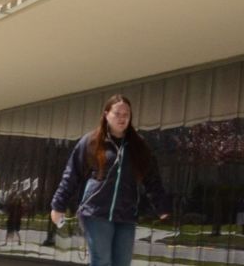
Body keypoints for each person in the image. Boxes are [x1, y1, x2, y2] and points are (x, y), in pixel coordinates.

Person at [51, 94, 170, 266]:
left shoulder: (138, 146)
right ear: (106, 114)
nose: (122, 118)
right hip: (96, 212)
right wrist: (58, 205)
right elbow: (72, 174)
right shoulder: (92, 141)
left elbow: (152, 178)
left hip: (126, 214)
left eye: (126, 115)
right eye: (117, 114)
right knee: (102, 260)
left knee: (122, 262)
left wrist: (161, 206)